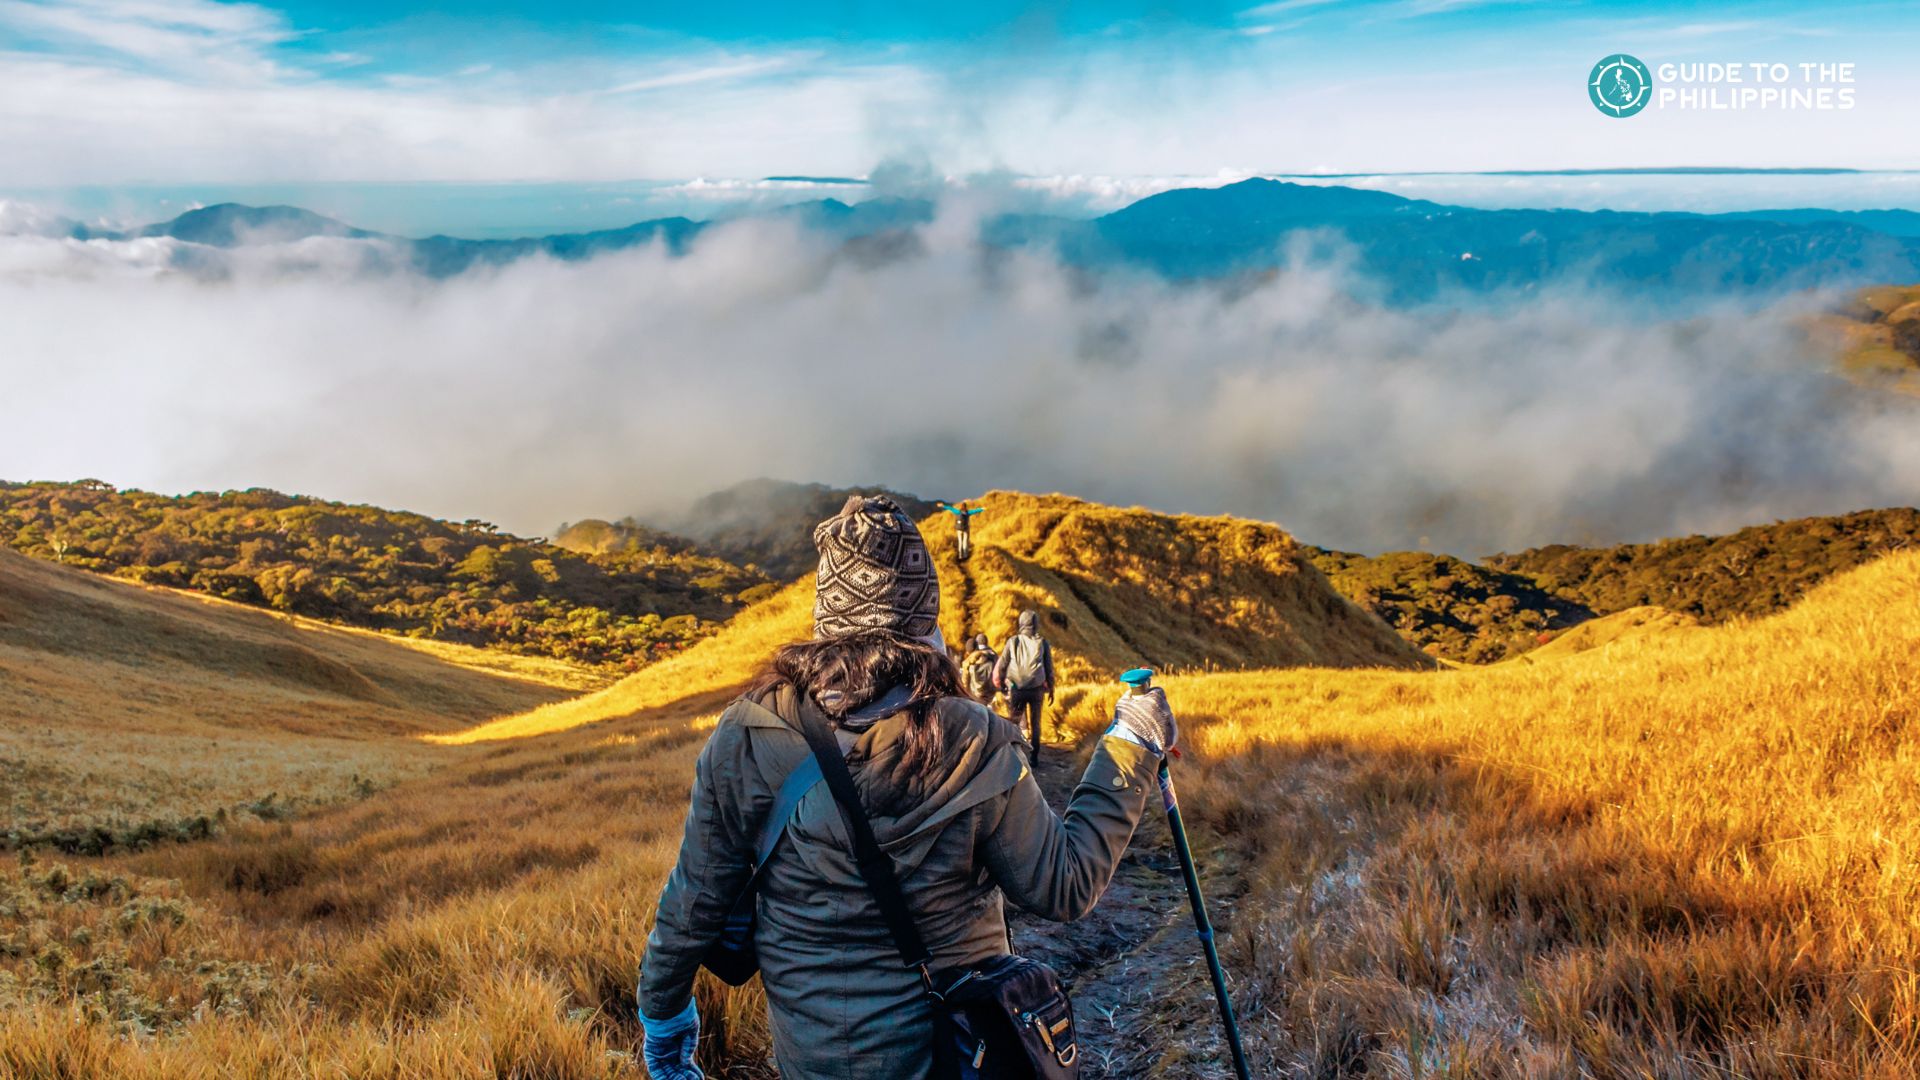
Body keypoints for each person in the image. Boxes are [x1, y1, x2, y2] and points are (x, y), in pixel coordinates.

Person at [637, 495, 1176, 1080]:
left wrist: (664, 1024)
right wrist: (1132, 743)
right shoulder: (974, 738)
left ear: (826, 613)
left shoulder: (748, 731)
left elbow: (693, 901)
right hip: (959, 1052)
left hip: (815, 1062)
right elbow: (1064, 887)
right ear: (925, 616)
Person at [993, 610, 1056, 765]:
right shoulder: (1042, 642)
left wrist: (1001, 685)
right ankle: (1034, 758)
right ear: (1036, 624)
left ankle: (1014, 757)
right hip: (1037, 690)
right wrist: (1052, 689)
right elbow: (1049, 669)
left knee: (1014, 722)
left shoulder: (1013, 641)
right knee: (1036, 723)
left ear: (1021, 623)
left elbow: (1002, 665)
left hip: (1017, 688)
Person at [961, 632, 997, 707]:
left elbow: (965, 682)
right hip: (991, 694)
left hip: (976, 696)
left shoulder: (968, 661)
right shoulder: (994, 656)